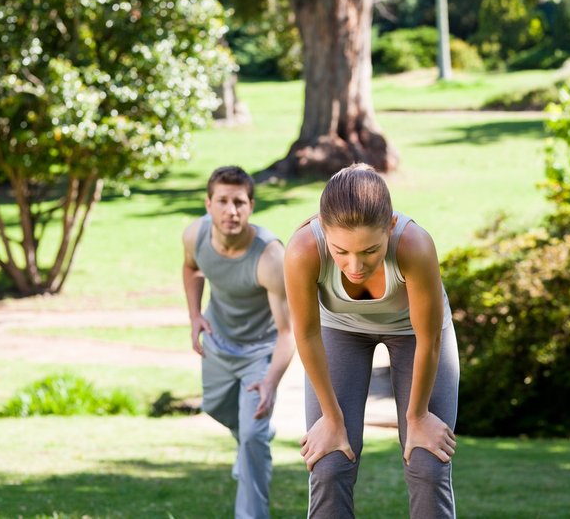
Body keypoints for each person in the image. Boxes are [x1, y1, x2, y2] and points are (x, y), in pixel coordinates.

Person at [284, 163, 460, 518]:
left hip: (415, 335)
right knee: (329, 462)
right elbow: (306, 333)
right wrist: (332, 419)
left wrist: (418, 415)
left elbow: (428, 338)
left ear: (390, 227)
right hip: (339, 328)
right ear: (322, 227)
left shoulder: (414, 244)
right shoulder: (304, 249)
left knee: (427, 462)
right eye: (340, 251)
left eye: (369, 251)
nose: (354, 266)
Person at [182, 166, 295, 519]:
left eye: (240, 203)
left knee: (252, 440)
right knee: (214, 406)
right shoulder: (194, 235)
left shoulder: (270, 256)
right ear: (209, 204)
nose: (231, 211)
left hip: (259, 355)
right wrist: (195, 315)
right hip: (218, 341)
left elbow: (288, 332)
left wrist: (271, 383)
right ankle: (252, 435)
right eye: (223, 201)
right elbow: (191, 269)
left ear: (251, 207)